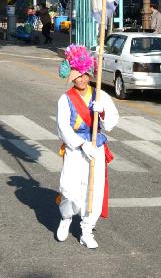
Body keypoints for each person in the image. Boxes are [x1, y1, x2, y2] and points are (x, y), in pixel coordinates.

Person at [55, 44, 119, 249]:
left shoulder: (100, 95)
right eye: (78, 75)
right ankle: (65, 218)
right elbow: (62, 127)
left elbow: (111, 123)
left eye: (85, 74)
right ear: (71, 76)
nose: (82, 79)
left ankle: (87, 230)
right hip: (76, 148)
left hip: (96, 147)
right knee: (69, 188)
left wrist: (102, 113)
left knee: (94, 189)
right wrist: (81, 143)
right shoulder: (65, 99)